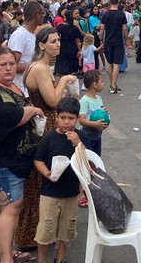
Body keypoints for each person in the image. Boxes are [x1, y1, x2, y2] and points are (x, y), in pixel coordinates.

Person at [0, 48, 44, 263]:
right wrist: (33, 110)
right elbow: (14, 117)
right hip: (1, 161)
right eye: (3, 64)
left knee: (1, 204)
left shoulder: (8, 86)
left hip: (6, 159)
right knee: (12, 207)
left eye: (12, 64)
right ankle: (6, 257)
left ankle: (1, 252)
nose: (8, 68)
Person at [18, 27, 78, 250]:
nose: (58, 44)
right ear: (42, 45)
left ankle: (37, 231)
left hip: (42, 124)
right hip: (45, 126)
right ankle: (34, 234)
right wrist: (65, 80)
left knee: (38, 181)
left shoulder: (37, 66)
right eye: (53, 41)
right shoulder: (41, 68)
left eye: (58, 40)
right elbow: (52, 101)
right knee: (41, 181)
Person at [33, 97, 85, 263]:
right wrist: (47, 173)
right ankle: (41, 260)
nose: (66, 122)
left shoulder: (81, 137)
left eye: (71, 118)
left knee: (66, 230)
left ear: (77, 119)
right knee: (46, 230)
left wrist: (78, 144)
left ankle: (60, 259)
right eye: (63, 117)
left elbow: (88, 161)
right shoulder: (49, 138)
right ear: (56, 117)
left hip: (71, 193)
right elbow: (38, 160)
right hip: (50, 193)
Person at [7, 0, 43, 93]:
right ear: (37, 15)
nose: (44, 16)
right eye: (43, 13)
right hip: (21, 89)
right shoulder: (20, 35)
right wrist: (37, 65)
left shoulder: (31, 34)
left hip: (30, 89)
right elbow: (12, 65)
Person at [100, 0, 128, 94]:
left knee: (110, 63)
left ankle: (111, 85)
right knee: (116, 63)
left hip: (108, 41)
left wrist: (101, 39)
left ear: (110, 2)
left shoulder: (105, 14)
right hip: (118, 41)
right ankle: (114, 85)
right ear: (118, 2)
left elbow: (102, 28)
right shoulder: (121, 14)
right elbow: (124, 29)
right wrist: (127, 40)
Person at [78, 69, 107, 159]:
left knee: (96, 157)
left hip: (97, 134)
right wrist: (95, 124)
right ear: (95, 85)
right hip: (88, 135)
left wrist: (105, 112)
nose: (103, 84)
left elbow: (99, 111)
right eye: (101, 81)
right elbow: (81, 120)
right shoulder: (84, 101)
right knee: (89, 158)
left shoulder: (98, 98)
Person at [56, 10, 83, 77]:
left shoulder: (60, 27)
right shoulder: (74, 28)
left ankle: (63, 80)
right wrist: (79, 50)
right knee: (72, 67)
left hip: (62, 48)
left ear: (65, 17)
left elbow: (57, 38)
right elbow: (77, 40)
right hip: (73, 48)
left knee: (62, 67)